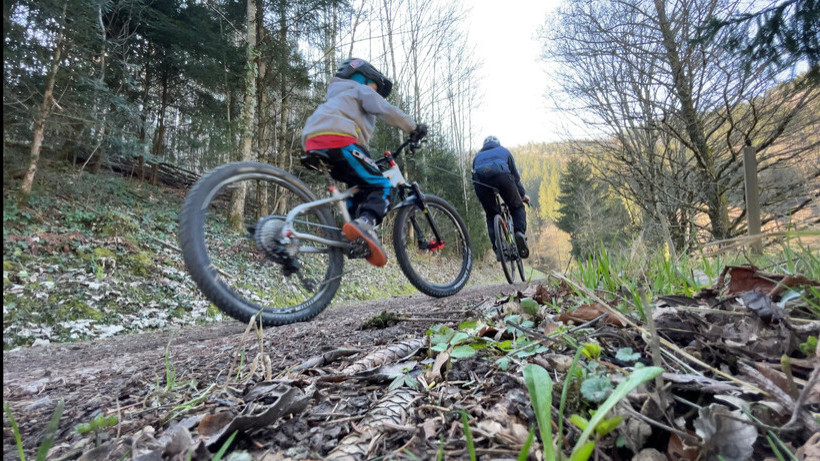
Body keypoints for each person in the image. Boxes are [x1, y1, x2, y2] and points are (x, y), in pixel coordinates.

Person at [301, 57, 427, 267]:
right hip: (339, 139)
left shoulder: (335, 98)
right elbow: (387, 110)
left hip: (313, 142)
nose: (375, 92)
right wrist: (413, 128)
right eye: (374, 87)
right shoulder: (359, 90)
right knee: (382, 185)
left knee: (359, 188)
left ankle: (351, 231)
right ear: (361, 77)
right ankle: (365, 224)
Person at [472, 135, 530, 260]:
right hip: (503, 177)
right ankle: (519, 232)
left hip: (481, 183)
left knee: (491, 215)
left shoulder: (477, 156)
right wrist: (522, 195)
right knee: (517, 207)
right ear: (497, 143)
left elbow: (474, 177)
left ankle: (498, 248)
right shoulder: (504, 151)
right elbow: (515, 177)